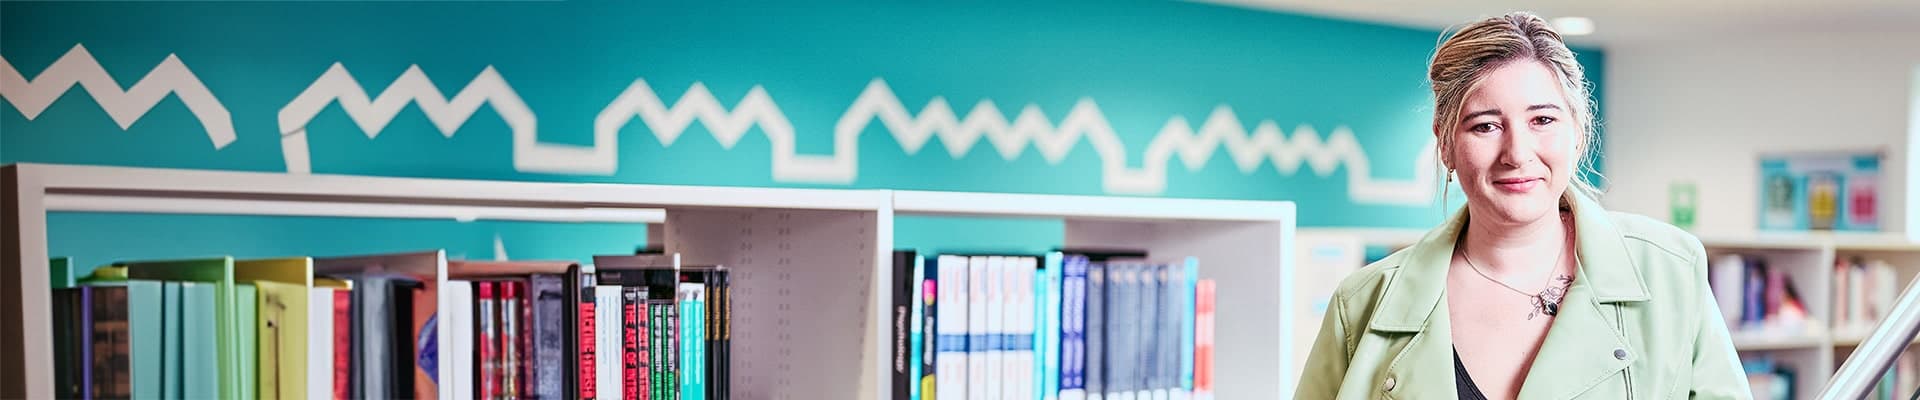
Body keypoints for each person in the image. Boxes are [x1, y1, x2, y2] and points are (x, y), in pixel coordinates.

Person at [1293, 12, 1747, 399]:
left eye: (1543, 120)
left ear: (1578, 132)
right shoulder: (1363, 304)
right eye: (1486, 126)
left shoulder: (1669, 270)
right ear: (1446, 145)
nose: (1518, 152)